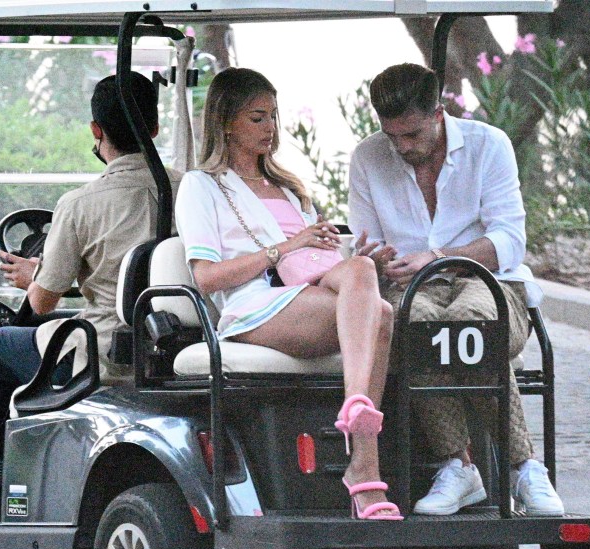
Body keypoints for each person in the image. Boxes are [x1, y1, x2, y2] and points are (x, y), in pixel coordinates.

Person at [0, 72, 182, 522]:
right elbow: (139, 272)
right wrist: (46, 274)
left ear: (96, 131)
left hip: (107, 353)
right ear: (154, 128)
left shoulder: (82, 203)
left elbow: (42, 303)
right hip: (172, 345)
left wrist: (36, 277)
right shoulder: (186, 190)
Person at [175, 68, 401, 520]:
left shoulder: (289, 187)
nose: (271, 129)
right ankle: (364, 460)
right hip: (253, 307)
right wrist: (284, 247)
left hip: (309, 292)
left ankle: (357, 408)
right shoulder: (202, 186)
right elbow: (206, 278)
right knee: (380, 318)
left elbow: (315, 265)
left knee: (365, 280)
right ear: (226, 123)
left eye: (274, 117)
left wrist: (358, 256)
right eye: (258, 118)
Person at [348, 63, 564, 517]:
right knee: (417, 326)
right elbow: (363, 242)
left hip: (488, 280)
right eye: (393, 137)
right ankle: (458, 464)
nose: (403, 147)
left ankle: (524, 469)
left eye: (412, 135)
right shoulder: (369, 157)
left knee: (473, 323)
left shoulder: (488, 145)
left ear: (438, 111)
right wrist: (373, 257)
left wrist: (440, 256)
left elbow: (510, 239)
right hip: (408, 286)